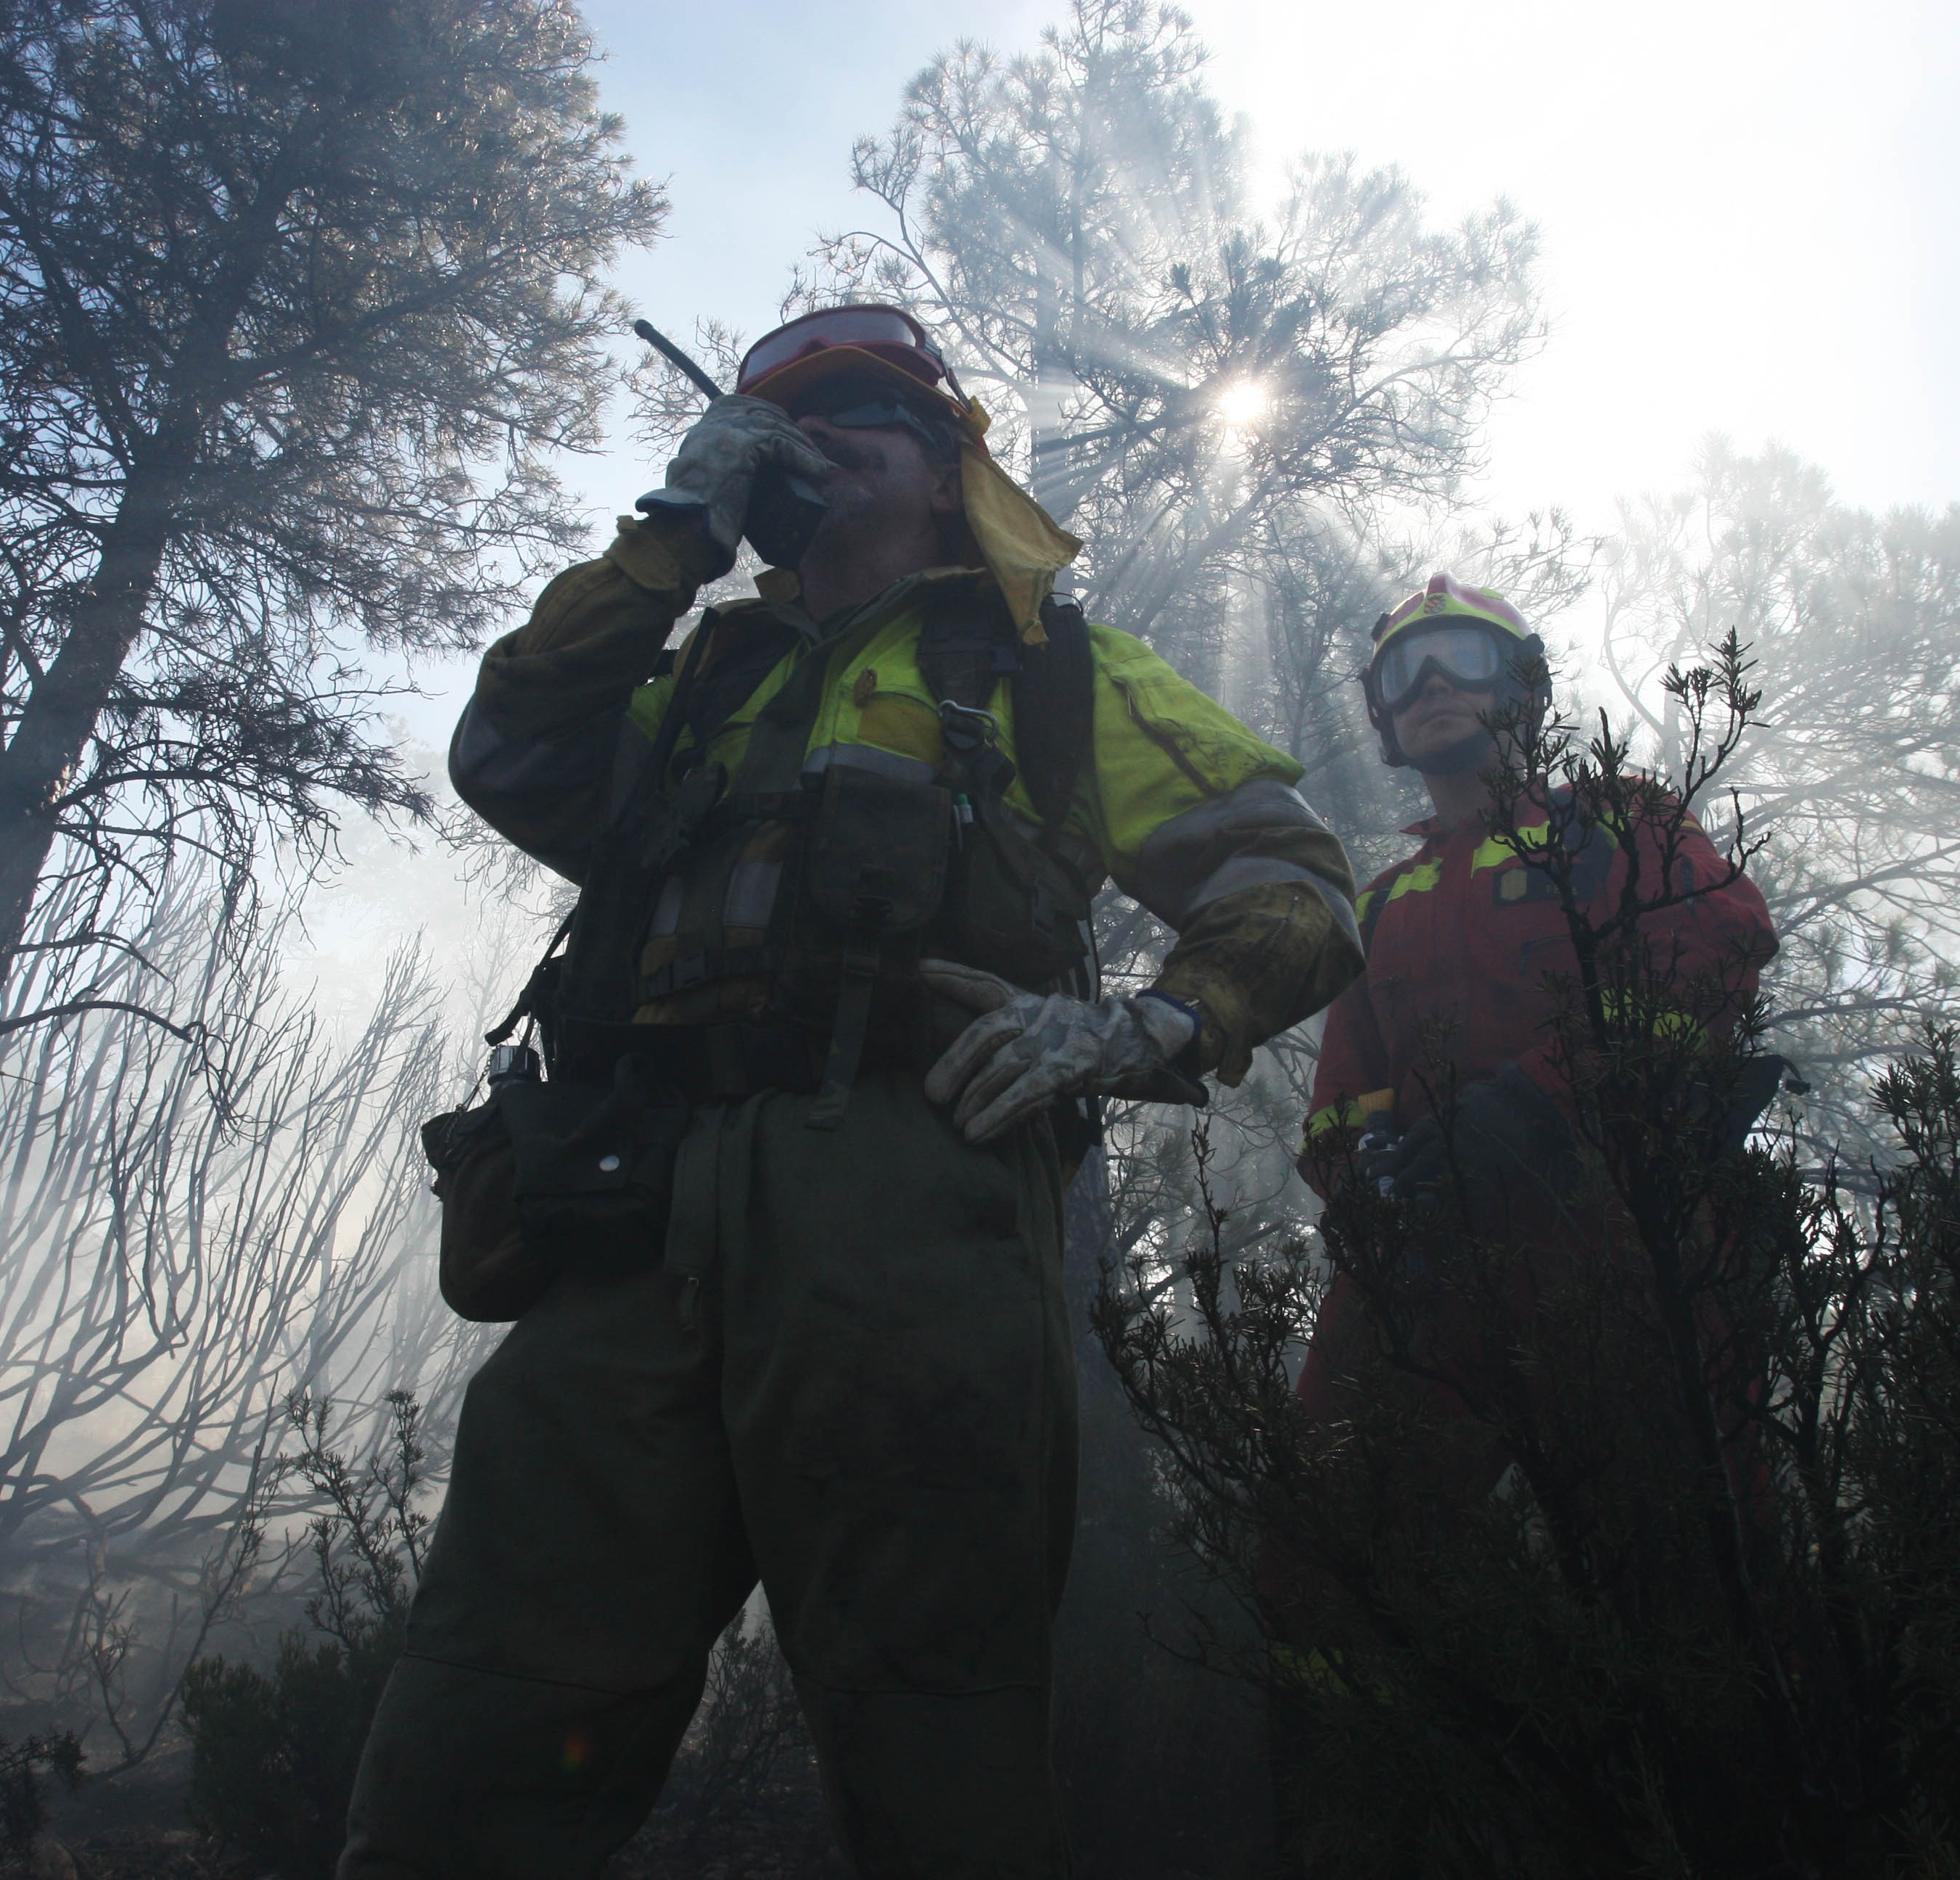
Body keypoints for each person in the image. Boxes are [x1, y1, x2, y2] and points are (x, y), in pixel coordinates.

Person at [341, 302, 1364, 1879]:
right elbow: (509, 752)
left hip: (911, 1204)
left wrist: (1150, 1027)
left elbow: (1292, 880)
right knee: (484, 1709)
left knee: (935, 1741)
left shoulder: (1051, 671)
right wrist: (671, 534)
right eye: (787, 415)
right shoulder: (695, 681)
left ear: (950, 473)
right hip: (626, 1213)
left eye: (867, 408)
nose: (819, 432)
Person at [1294, 574, 1779, 1456]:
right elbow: (1342, 1095)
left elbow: (1717, 951)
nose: (1432, 685)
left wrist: (1535, 1106)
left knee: (1675, 1523)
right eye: (1404, 673)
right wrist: (1363, 1184)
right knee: (1333, 1516)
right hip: (1425, 1261)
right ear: (1382, 715)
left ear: (1524, 687)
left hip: (1621, 1226)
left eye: (1462, 657)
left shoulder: (1619, 823)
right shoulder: (1380, 904)